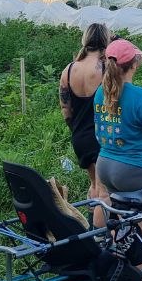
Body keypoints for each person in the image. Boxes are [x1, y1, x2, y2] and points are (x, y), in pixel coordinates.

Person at [93, 39, 142, 247]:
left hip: (106, 163)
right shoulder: (140, 96)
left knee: (112, 211)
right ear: (134, 65)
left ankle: (104, 250)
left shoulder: (101, 92)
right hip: (137, 170)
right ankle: (135, 275)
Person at [59, 23, 111, 192]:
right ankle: (96, 219)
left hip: (80, 137)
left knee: (94, 185)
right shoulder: (106, 68)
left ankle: (91, 216)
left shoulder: (69, 70)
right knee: (103, 190)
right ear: (105, 40)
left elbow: (66, 111)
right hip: (102, 136)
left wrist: (77, 130)